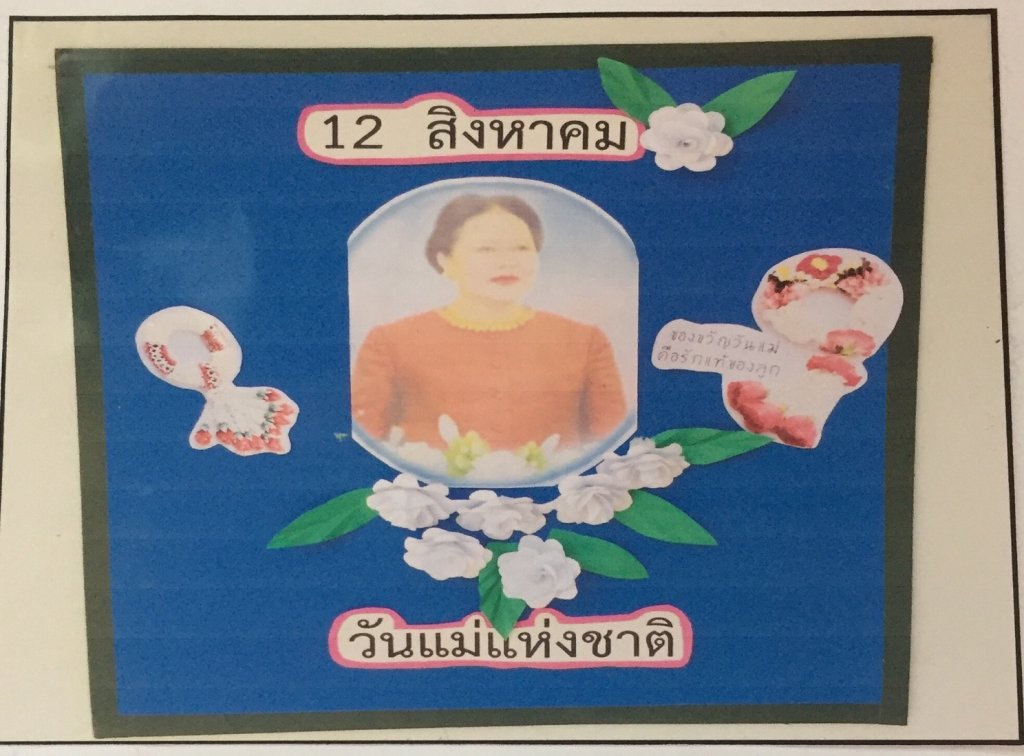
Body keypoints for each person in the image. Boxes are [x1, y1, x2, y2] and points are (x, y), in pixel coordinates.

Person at [351, 194, 627, 454]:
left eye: (522, 248)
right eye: (486, 249)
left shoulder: (585, 341)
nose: (507, 262)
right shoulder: (390, 342)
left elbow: (613, 449)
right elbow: (362, 447)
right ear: (445, 260)